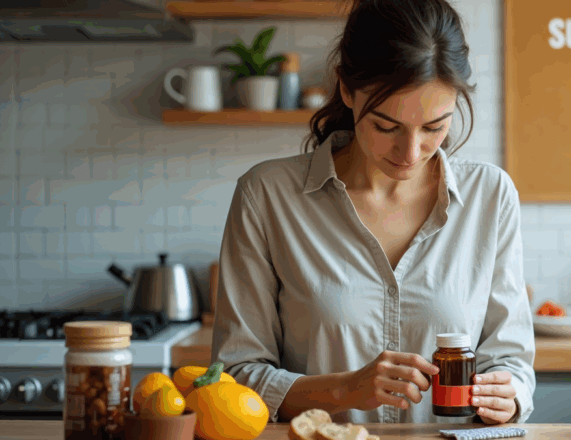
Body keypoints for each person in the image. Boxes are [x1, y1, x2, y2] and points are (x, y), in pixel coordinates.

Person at [211, 0, 536, 426]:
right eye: (386, 126)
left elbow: (511, 361)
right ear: (346, 89)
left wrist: (508, 396)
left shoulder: (490, 196)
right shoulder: (267, 196)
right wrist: (343, 389)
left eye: (435, 127)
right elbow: (235, 377)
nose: (411, 152)